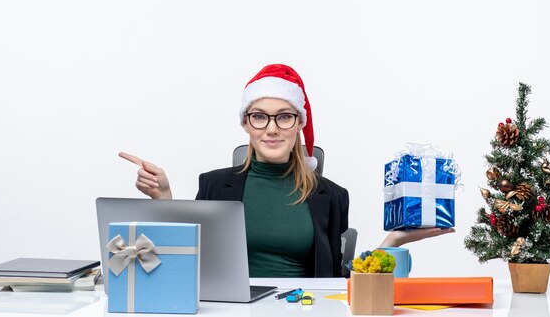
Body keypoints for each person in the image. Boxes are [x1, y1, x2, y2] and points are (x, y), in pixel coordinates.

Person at [119, 64, 453, 277]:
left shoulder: (331, 196)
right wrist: (164, 196)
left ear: (298, 127)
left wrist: (393, 240)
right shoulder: (214, 185)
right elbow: (182, 263)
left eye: (284, 116)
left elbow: (340, 281)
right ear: (247, 126)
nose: (272, 128)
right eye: (259, 116)